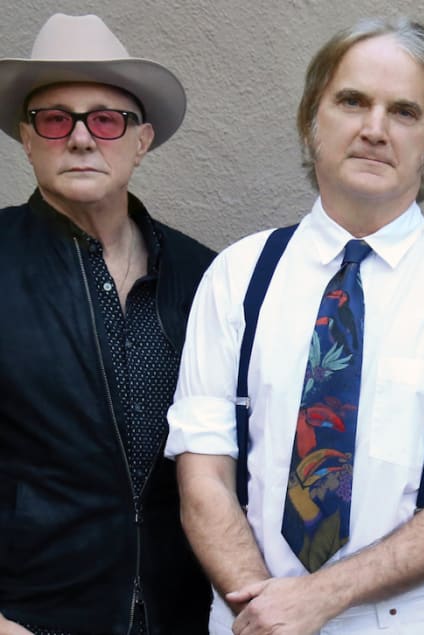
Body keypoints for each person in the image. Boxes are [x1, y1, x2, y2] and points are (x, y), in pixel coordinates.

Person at [165, 16, 424, 634]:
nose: (374, 128)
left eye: (404, 111)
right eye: (352, 101)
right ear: (313, 121)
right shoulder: (238, 275)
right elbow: (203, 477)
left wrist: (319, 598)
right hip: (250, 618)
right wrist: (263, 609)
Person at [0, 13, 213, 635]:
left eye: (106, 119)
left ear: (140, 141)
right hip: (32, 615)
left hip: (179, 613)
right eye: (56, 118)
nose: (82, 138)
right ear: (28, 137)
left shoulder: (204, 276)